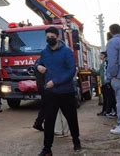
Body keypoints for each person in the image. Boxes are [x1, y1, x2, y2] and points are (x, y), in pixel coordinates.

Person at [37, 27, 81, 156]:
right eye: (47, 37)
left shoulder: (66, 52)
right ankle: (47, 149)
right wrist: (38, 66)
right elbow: (38, 63)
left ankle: (76, 140)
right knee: (49, 121)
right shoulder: (44, 52)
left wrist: (55, 81)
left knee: (71, 118)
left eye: (52, 37)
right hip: (50, 94)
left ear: (58, 37)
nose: (49, 39)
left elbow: (71, 70)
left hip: (66, 92)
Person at [33, 63, 46, 131]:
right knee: (47, 106)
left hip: (41, 86)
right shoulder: (43, 62)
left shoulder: (38, 62)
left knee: (45, 105)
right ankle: (39, 123)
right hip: (45, 87)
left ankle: (38, 123)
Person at [97, 52, 108, 116]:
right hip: (104, 83)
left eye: (101, 55)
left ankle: (105, 111)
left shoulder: (104, 63)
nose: (100, 56)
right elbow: (99, 72)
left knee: (106, 98)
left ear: (104, 56)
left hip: (105, 83)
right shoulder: (103, 63)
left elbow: (100, 73)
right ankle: (105, 111)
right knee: (106, 98)